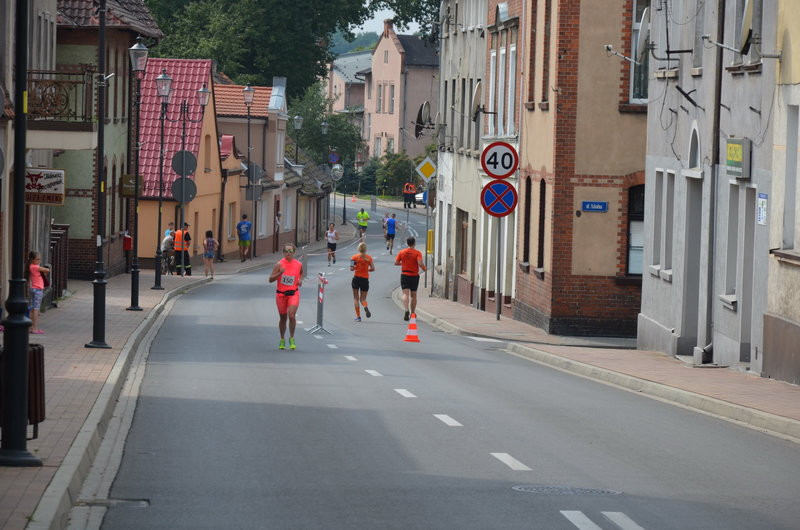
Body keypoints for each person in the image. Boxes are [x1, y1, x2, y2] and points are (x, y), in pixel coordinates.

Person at [269, 244, 304, 350]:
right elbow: (270, 279)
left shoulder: (298, 264)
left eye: (290, 251)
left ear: (294, 252)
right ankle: (282, 339)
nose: (288, 253)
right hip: (281, 294)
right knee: (283, 317)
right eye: (286, 251)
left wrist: (300, 280)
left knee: (292, 315)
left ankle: (292, 338)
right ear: (283, 252)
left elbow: (301, 273)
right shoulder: (279, 264)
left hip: (293, 293)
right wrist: (279, 273)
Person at [394, 236, 426, 321]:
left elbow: (396, 263)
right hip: (414, 276)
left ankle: (406, 310)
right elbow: (420, 263)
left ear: (407, 243)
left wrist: (403, 263)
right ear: (414, 243)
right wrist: (424, 269)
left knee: (405, 294)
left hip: (404, 274)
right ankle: (412, 313)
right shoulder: (417, 253)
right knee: (413, 295)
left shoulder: (402, 252)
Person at [350, 242, 375, 322]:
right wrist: (367, 270)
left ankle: (358, 316)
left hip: (356, 278)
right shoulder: (369, 258)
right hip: (365, 279)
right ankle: (365, 306)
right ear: (365, 249)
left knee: (356, 298)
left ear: (358, 249)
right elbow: (373, 268)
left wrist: (355, 268)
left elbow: (351, 268)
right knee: (363, 299)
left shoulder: (353, 257)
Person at [26, 251, 50, 334]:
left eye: (40, 259)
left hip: (32, 289)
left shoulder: (31, 266)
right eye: (37, 259)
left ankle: (31, 327)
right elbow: (47, 270)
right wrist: (45, 269)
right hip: (38, 290)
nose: (39, 261)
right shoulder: (35, 267)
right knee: (36, 309)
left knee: (32, 309)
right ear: (32, 259)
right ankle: (35, 328)